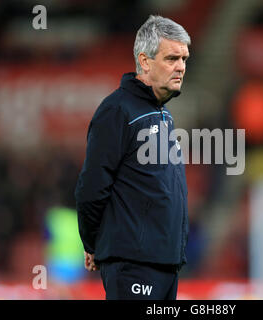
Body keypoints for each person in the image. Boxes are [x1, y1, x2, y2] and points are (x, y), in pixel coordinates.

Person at [75, 15, 190, 300]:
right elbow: (91, 187)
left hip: (165, 264)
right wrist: (93, 243)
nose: (181, 67)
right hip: (135, 266)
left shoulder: (163, 115)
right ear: (145, 61)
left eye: (184, 59)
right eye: (172, 58)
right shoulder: (117, 111)